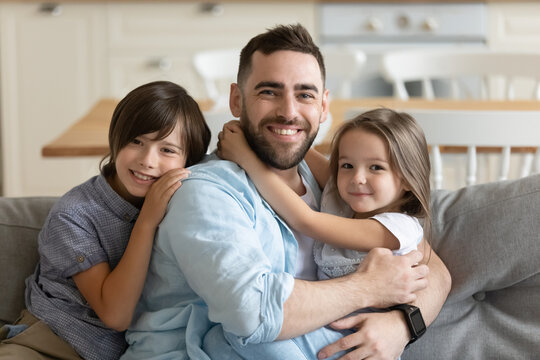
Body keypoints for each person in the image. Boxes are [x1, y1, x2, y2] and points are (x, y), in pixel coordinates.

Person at [123, 24, 450, 360]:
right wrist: (368, 288)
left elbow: (433, 268)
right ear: (237, 100)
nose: (289, 111)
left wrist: (402, 325)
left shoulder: (339, 183)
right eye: (269, 92)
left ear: (323, 107)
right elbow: (253, 315)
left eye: (305, 95)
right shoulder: (205, 194)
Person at [0, 81, 211, 360]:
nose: (148, 160)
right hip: (50, 343)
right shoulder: (74, 215)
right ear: (116, 139)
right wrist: (146, 222)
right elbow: (115, 315)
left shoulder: (190, 201)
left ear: (189, 160)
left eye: (167, 150)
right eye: (136, 141)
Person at [217, 107, 431, 282]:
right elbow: (305, 153)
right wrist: (263, 132)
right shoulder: (349, 197)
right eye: (347, 164)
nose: (357, 178)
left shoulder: (399, 227)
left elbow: (306, 220)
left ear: (407, 179)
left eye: (376, 167)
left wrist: (247, 159)